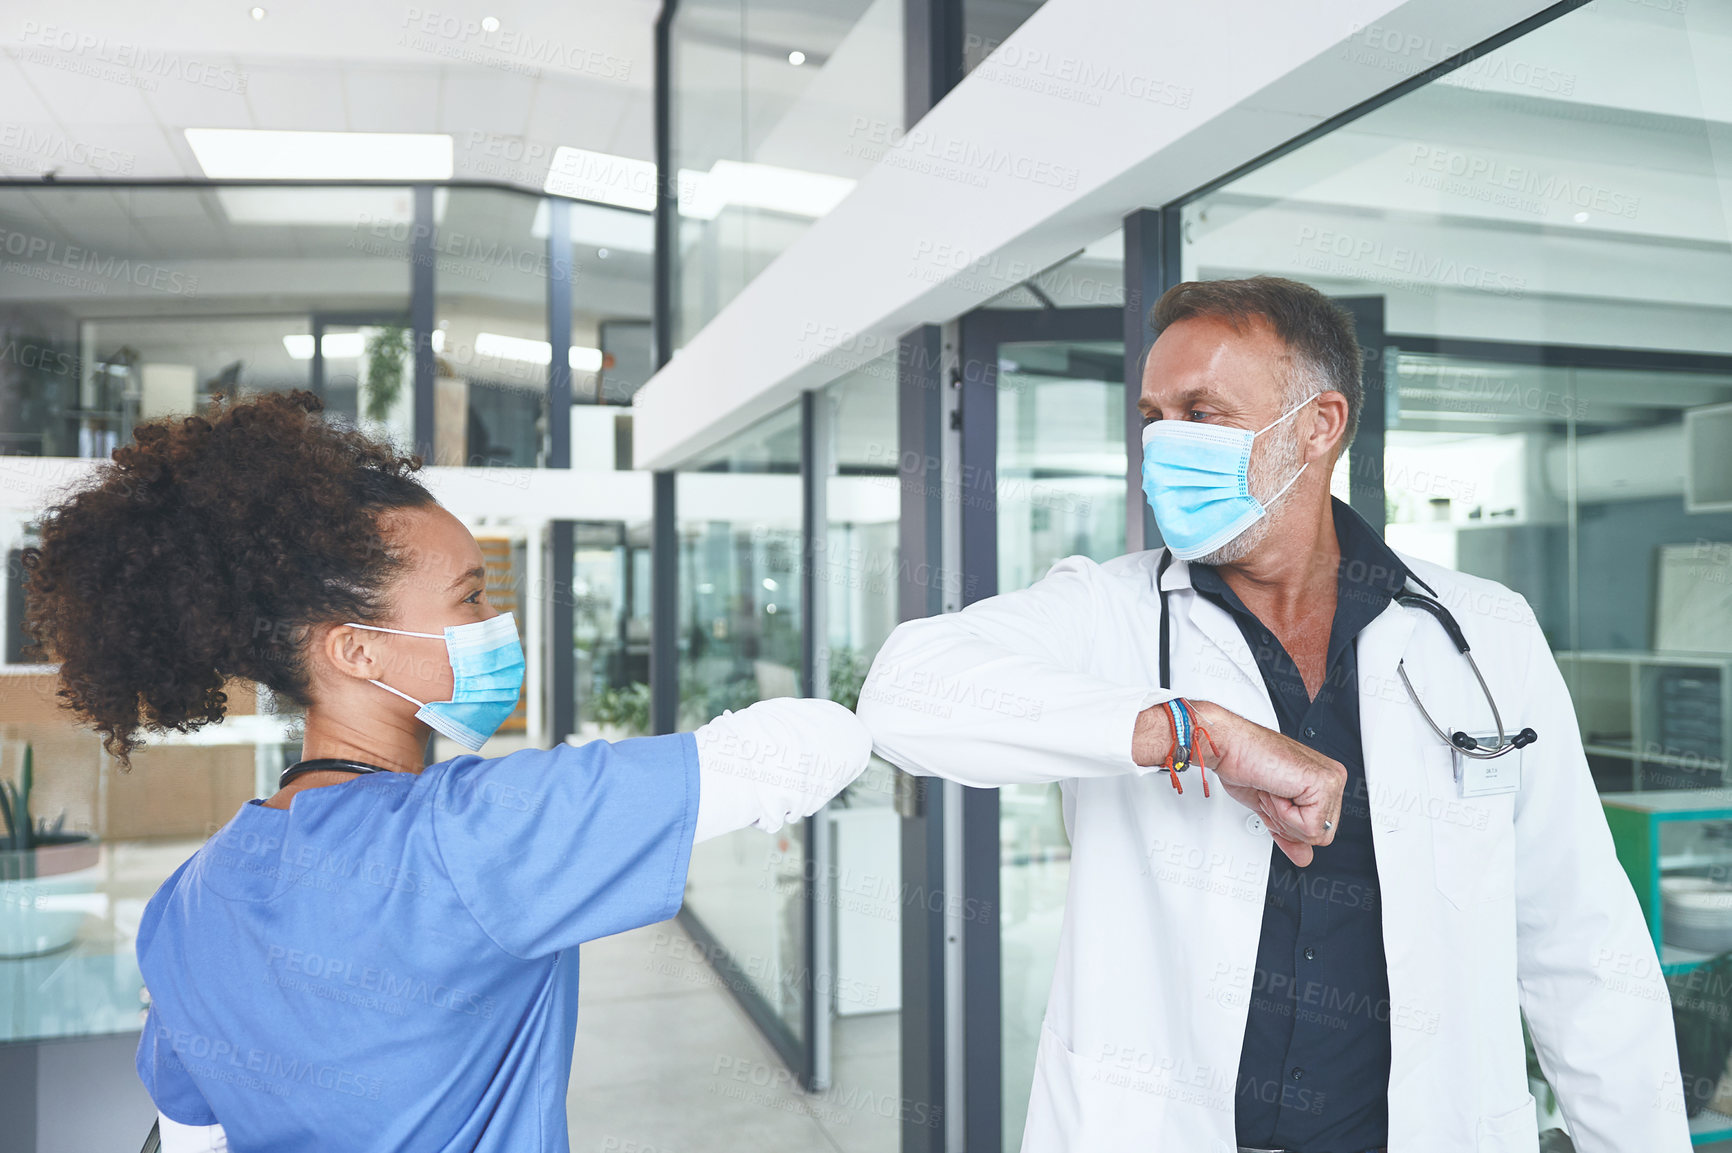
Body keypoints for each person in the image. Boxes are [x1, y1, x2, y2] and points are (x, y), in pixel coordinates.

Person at [858, 277, 1687, 1152]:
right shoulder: (1111, 611)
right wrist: (1193, 731)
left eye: (1201, 412)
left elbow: (1582, 944)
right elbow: (904, 691)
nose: (1161, 444)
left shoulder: (1484, 632)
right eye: (1151, 417)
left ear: (1319, 424)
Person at [22, 391, 870, 1152]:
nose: (497, 623)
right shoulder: (468, 836)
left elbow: (190, 1137)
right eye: (470, 598)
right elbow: (799, 749)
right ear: (354, 649)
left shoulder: (186, 902)